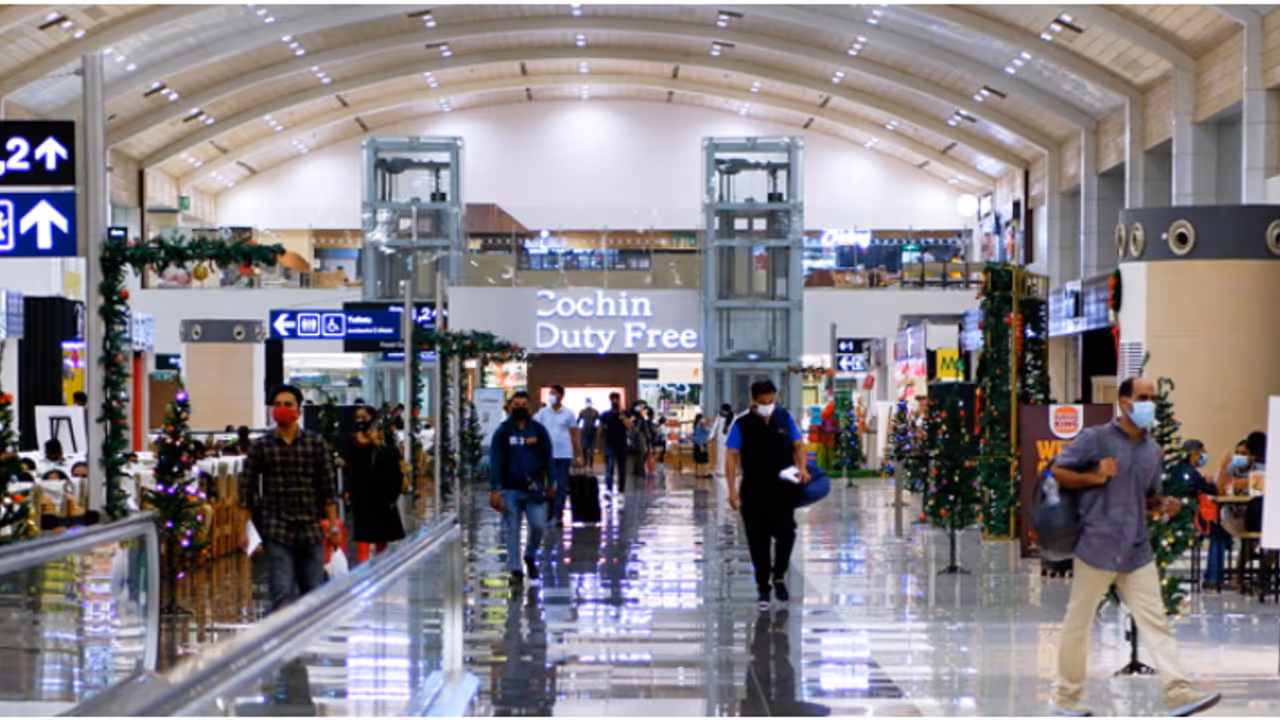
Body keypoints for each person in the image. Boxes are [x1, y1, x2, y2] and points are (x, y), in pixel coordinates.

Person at [1049, 377, 1220, 718]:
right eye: (1143, 397)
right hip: (1096, 546)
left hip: (1137, 550)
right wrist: (1094, 476)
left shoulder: (1151, 451)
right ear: (1124, 402)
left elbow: (1147, 498)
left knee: (1156, 621)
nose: (1149, 404)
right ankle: (1067, 699)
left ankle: (1179, 692)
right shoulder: (1096, 439)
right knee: (1078, 623)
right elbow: (1057, 472)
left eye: (1152, 398)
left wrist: (1163, 504)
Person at [239, 384, 341, 612]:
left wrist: (333, 527)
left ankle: (311, 631)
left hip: (310, 527)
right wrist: (242, 529)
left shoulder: (315, 444)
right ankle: (282, 632)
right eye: (277, 404)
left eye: (288, 404)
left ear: (299, 411)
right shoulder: (261, 446)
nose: (282, 408)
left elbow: (327, 489)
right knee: (281, 590)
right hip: (276, 527)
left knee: (314, 591)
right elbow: (247, 490)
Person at [724, 379, 809, 612]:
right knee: (758, 541)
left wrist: (802, 468)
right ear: (753, 400)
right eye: (763, 402)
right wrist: (731, 489)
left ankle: (778, 576)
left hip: (783, 489)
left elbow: (798, 445)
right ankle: (763, 587)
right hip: (753, 491)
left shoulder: (785, 418)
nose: (767, 405)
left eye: (770, 400)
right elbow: (731, 456)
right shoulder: (741, 424)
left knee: (787, 534)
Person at [489, 391, 554, 586]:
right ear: (510, 406)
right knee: (512, 530)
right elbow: (495, 460)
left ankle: (530, 555)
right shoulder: (503, 432)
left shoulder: (538, 431)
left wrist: (552, 482)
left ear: (530, 407)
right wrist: (494, 489)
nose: (520, 408)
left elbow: (548, 457)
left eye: (524, 404)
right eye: (516, 404)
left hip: (535, 489)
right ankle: (515, 569)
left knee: (538, 525)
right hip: (510, 489)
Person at [342, 405, 406, 564]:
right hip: (361, 490)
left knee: (382, 532)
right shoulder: (353, 440)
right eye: (357, 418)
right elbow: (347, 460)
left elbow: (394, 459)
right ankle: (363, 564)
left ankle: (380, 562)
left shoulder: (383, 438)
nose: (360, 421)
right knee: (362, 531)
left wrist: (378, 443)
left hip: (381, 491)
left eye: (364, 417)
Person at [1179, 440, 1231, 590]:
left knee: (1219, 534)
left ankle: (1213, 577)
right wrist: (1223, 467)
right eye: (1201, 454)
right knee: (1219, 536)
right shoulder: (1191, 473)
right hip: (1190, 520)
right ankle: (1213, 579)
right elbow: (1215, 491)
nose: (1203, 457)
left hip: (1183, 517)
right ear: (1194, 454)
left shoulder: (1181, 470)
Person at [534, 385, 581, 528]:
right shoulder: (542, 413)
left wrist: (578, 454)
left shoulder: (568, 414)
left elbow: (574, 435)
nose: (551, 396)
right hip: (547, 455)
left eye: (554, 393)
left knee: (561, 486)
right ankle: (548, 513)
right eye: (550, 393)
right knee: (548, 485)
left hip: (564, 455)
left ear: (561, 396)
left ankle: (557, 515)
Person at [599, 392, 634, 500]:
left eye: (616, 399)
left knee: (622, 468)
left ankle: (621, 490)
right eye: (612, 399)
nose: (614, 401)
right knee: (609, 468)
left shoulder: (625, 413)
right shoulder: (605, 415)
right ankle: (608, 490)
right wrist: (599, 446)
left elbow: (629, 425)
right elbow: (600, 430)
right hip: (609, 443)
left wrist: (621, 415)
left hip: (622, 444)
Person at [709, 403, 734, 479]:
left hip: (724, 439)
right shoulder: (729, 416)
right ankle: (723, 471)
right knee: (723, 456)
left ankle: (723, 471)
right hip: (725, 439)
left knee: (723, 456)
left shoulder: (722, 417)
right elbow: (715, 427)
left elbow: (715, 427)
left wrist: (711, 437)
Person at [578, 399, 600, 468]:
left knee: (592, 449)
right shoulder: (583, 411)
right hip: (584, 431)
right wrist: (578, 428)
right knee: (584, 447)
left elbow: (599, 421)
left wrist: (597, 427)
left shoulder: (595, 412)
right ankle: (585, 462)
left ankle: (591, 463)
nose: (588, 404)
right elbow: (578, 420)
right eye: (587, 403)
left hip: (593, 432)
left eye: (589, 402)